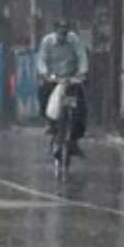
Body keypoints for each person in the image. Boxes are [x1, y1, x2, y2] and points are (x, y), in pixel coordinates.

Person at [36, 17, 89, 156]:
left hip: (70, 79)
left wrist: (82, 72)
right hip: (53, 79)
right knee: (43, 92)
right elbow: (41, 59)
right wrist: (45, 73)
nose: (62, 35)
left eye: (65, 32)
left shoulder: (74, 40)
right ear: (55, 31)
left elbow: (81, 56)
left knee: (79, 105)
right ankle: (49, 123)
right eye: (60, 32)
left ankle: (74, 138)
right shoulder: (47, 41)